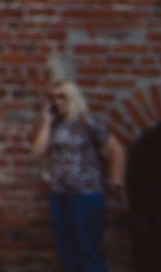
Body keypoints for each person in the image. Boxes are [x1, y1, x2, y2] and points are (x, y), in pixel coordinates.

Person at [32, 73, 124, 272]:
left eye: (61, 96)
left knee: (88, 249)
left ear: (72, 98)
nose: (57, 101)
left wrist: (116, 179)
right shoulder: (54, 126)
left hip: (86, 193)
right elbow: (39, 150)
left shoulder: (87, 123)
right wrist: (47, 121)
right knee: (67, 250)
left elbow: (117, 149)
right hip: (60, 194)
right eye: (53, 97)